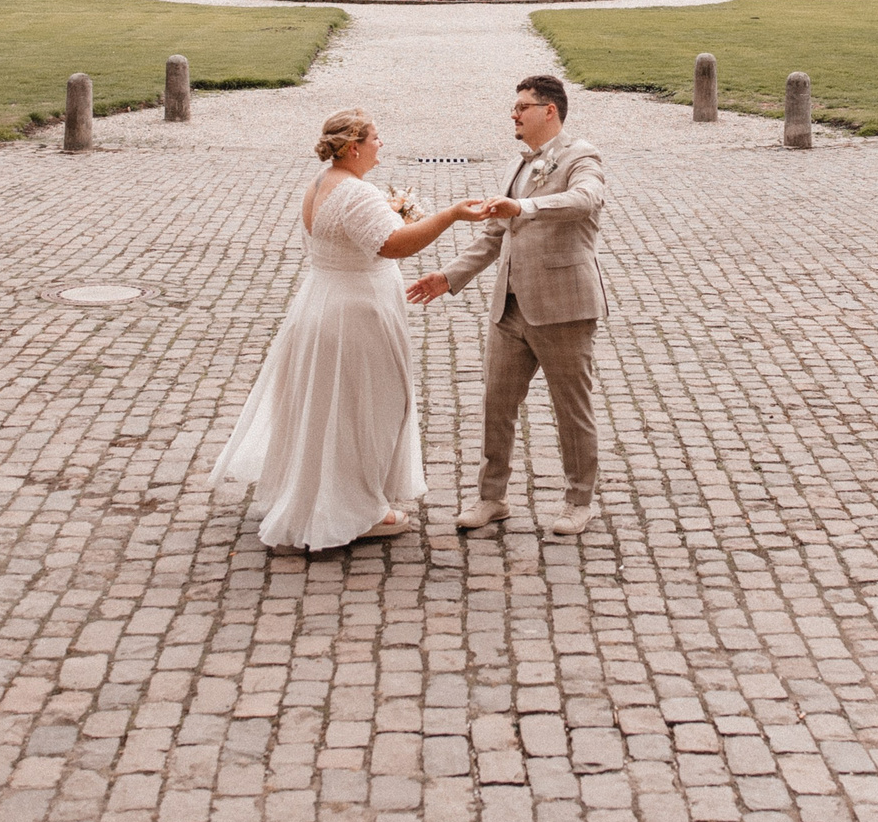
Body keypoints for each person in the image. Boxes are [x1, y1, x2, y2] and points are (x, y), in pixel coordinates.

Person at [213, 109, 492, 551]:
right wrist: (452, 215)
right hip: (354, 316)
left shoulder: (321, 183)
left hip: (323, 304)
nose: (383, 144)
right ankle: (357, 508)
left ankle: (323, 494)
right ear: (354, 146)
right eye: (377, 137)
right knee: (368, 408)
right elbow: (393, 244)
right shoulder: (356, 193)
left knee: (330, 407)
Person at [407, 74, 607, 538]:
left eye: (522, 106)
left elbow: (585, 199)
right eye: (514, 107)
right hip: (510, 308)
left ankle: (580, 501)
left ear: (549, 110)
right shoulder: (519, 166)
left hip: (563, 308)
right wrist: (449, 276)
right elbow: (496, 234)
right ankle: (491, 498)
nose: (513, 115)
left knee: (571, 409)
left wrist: (524, 210)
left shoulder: (582, 156)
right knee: (496, 405)